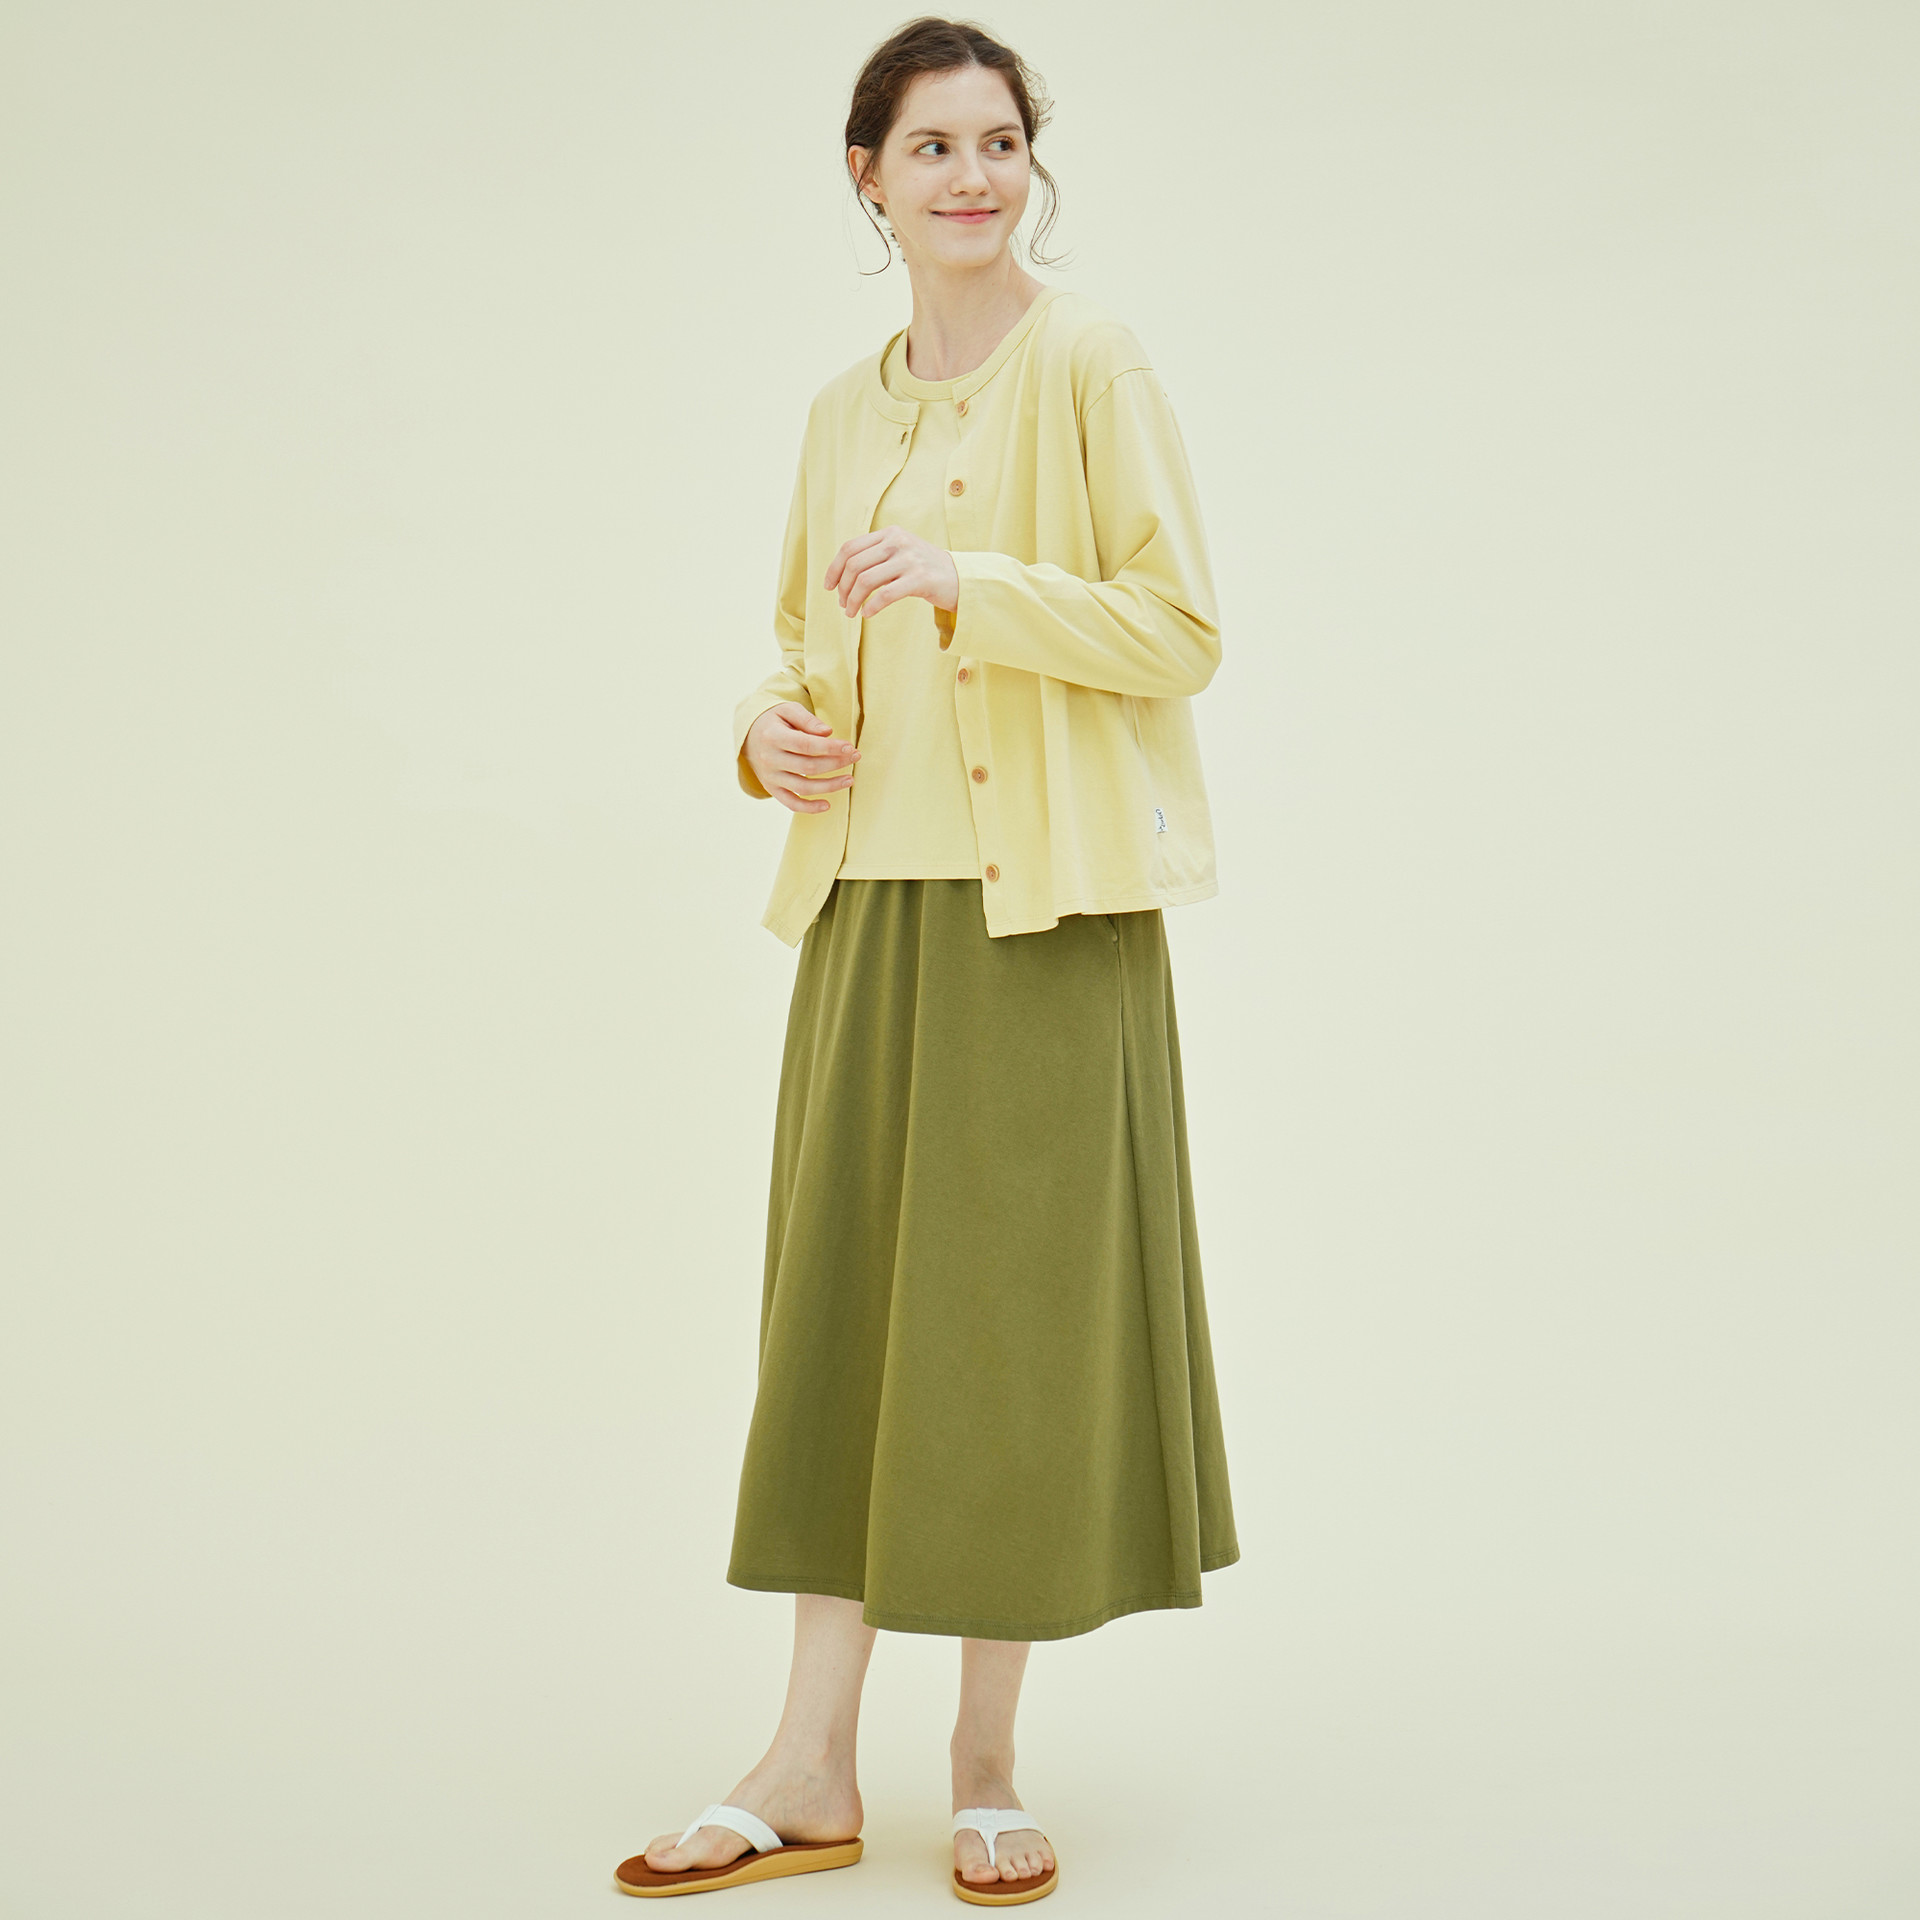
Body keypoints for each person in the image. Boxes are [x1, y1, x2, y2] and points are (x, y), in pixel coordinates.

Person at [614, 16, 1238, 1906]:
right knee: (844, 1325)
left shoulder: (1090, 362)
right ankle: (808, 1764)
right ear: (867, 179)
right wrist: (764, 733)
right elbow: (796, 641)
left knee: (1004, 1337)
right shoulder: (840, 411)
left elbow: (1181, 628)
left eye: (999, 142)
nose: (973, 176)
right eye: (932, 147)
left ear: (1029, 164)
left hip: (1043, 918)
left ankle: (983, 1759)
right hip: (865, 918)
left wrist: (983, 588)